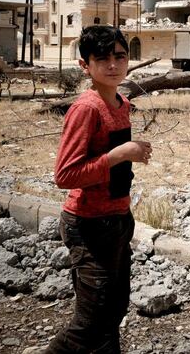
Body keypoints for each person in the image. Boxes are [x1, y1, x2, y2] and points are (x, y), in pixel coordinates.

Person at [46, 26, 153, 354]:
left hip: (118, 220)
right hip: (89, 226)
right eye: (102, 58)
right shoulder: (87, 108)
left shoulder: (121, 103)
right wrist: (120, 154)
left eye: (119, 56)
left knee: (113, 312)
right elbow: (65, 174)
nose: (112, 65)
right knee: (89, 325)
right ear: (85, 66)